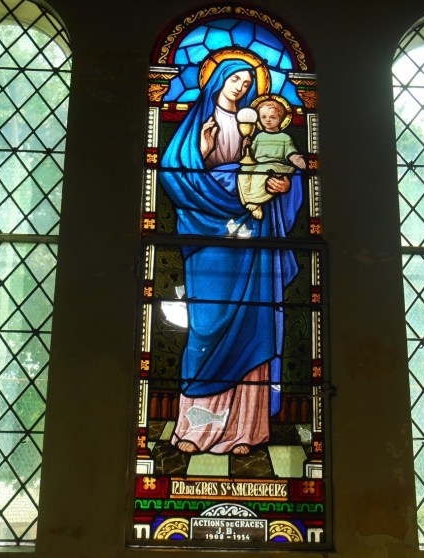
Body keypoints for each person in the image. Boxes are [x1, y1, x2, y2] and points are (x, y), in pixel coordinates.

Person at [159, 54, 303, 455]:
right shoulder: (199, 122)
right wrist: (204, 153)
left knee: (254, 321)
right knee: (206, 327)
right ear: (219, 79)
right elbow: (174, 173)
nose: (241, 86)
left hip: (255, 236)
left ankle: (246, 431)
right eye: (235, 78)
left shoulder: (258, 124)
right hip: (209, 234)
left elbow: (283, 169)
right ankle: (196, 429)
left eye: (247, 81)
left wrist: (283, 186)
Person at [238, 97, 307, 220]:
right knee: (243, 171)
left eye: (272, 117)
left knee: (262, 172)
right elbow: (250, 154)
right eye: (263, 117)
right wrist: (245, 147)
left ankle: (256, 202)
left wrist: (295, 159)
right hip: (258, 164)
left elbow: (290, 152)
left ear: (281, 118)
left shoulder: (285, 137)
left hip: (276, 165)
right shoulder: (259, 137)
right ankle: (248, 200)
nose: (267, 120)